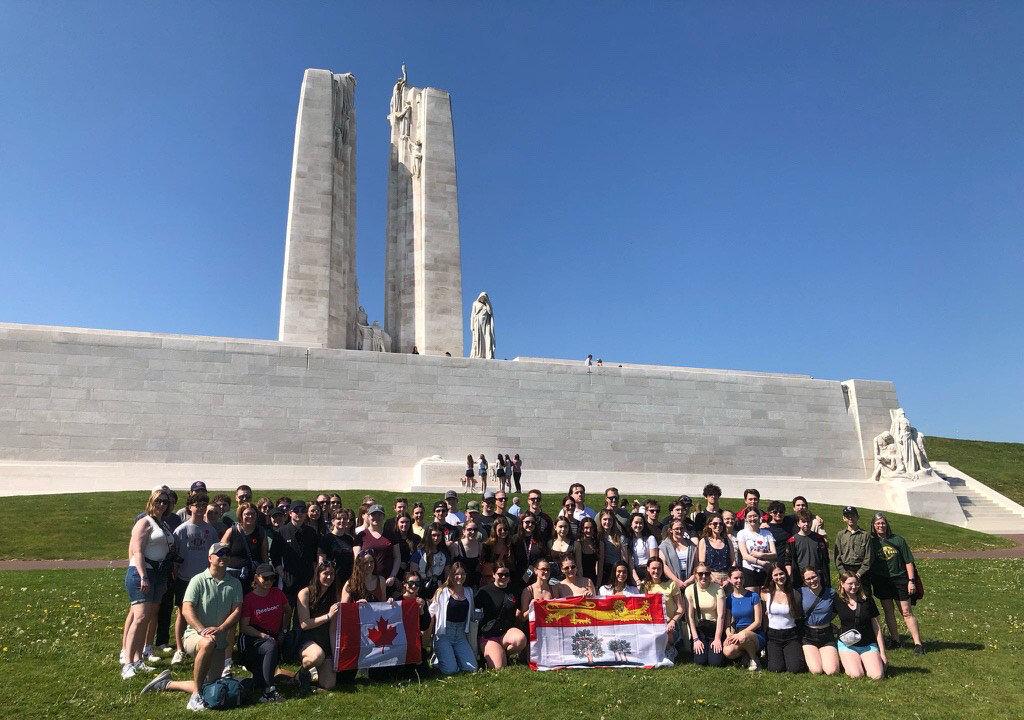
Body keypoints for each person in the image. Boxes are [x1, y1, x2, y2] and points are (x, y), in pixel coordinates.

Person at [140, 542, 243, 711]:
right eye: (220, 553)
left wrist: (222, 628)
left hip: (220, 640)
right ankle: (194, 698)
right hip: (195, 637)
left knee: (209, 687)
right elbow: (186, 609)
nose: (224, 556)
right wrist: (201, 630)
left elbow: (237, 611)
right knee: (207, 643)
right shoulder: (198, 580)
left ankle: (167, 683)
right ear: (210, 558)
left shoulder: (235, 583)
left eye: (227, 553)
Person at [123, 489, 174, 678]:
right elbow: (137, 551)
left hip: (158, 573)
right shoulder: (145, 522)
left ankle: (138, 659)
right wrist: (143, 576)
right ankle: (127, 663)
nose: (162, 504)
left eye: (165, 502)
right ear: (151, 501)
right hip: (142, 573)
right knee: (140, 617)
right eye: (159, 501)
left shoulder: (162, 523)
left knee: (147, 617)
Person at [170, 492, 219, 666]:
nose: (200, 509)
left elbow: (213, 554)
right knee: (182, 614)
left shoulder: (210, 530)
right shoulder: (181, 530)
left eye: (203, 506)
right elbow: (174, 556)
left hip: (203, 579)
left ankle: (199, 644)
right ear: (189, 508)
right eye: (197, 505)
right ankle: (179, 649)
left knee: (202, 612)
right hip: (184, 578)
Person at [869, 513, 924, 653]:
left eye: (882, 523)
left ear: (886, 524)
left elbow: (908, 561)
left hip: (899, 578)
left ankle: (918, 643)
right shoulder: (871, 542)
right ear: (873, 526)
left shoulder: (898, 540)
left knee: (906, 611)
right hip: (882, 580)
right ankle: (895, 640)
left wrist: (911, 581)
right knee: (888, 611)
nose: (880, 526)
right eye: (877, 524)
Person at [235, 563, 288, 702]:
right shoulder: (249, 599)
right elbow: (244, 627)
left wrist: (284, 629)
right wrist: (262, 635)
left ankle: (256, 682)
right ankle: (269, 691)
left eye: (272, 578)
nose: (269, 582)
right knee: (270, 645)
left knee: (258, 680)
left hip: (274, 636)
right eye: (266, 578)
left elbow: (288, 611)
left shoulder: (278, 593)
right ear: (256, 578)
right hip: (253, 638)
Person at [295, 561, 339, 691]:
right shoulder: (305, 593)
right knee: (317, 656)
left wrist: (334, 652)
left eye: (332, 574)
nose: (329, 577)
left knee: (329, 684)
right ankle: (301, 673)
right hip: (306, 639)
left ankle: (310, 673)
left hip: (324, 640)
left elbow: (332, 629)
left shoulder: (334, 595)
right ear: (318, 574)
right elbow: (304, 624)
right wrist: (328, 616)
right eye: (325, 573)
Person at [429, 561, 478, 675]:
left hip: (461, 634)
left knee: (472, 668)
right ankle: (438, 657)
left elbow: (471, 613)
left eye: (462, 574)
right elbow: (431, 612)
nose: (459, 577)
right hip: (444, 634)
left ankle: (451, 656)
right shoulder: (442, 592)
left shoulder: (469, 592)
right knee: (450, 670)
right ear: (451, 575)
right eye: (456, 574)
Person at [835, 571, 887, 680]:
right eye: (850, 584)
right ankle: (851, 660)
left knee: (877, 676)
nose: (854, 587)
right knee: (856, 675)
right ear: (842, 584)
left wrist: (882, 653)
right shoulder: (837, 600)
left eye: (856, 584)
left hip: (867, 644)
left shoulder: (867, 600)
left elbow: (877, 627)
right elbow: (826, 617)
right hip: (847, 644)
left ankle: (866, 660)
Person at [476, 561, 527, 668]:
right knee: (499, 668)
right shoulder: (484, 592)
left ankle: (504, 653)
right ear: (494, 575)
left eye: (506, 574)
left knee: (521, 639)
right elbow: (474, 614)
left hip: (507, 632)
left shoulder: (514, 590)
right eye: (500, 574)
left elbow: (520, 611)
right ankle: (492, 653)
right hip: (489, 635)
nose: (504, 577)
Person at [270, 501, 319, 609]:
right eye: (296, 510)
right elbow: (275, 557)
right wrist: (283, 575)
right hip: (289, 582)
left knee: (305, 612)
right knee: (286, 613)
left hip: (307, 580)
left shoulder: (312, 533)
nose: (299, 513)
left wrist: (314, 576)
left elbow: (315, 556)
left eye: (303, 511)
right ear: (290, 513)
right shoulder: (281, 532)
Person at [762, 563, 806, 673]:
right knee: (775, 669)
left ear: (786, 574)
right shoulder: (766, 594)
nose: (779, 577)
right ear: (771, 577)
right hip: (773, 636)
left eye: (781, 573)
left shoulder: (794, 593)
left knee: (795, 669)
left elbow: (800, 615)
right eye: (775, 575)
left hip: (791, 635)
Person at [720, 566, 765, 670]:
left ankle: (755, 660)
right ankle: (746, 655)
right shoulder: (729, 599)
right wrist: (729, 635)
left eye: (742, 578)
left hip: (755, 633)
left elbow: (758, 622)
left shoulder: (753, 596)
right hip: (738, 634)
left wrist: (742, 633)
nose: (739, 580)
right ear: (730, 579)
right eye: (736, 578)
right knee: (728, 651)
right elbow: (727, 623)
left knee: (744, 636)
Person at [799, 567, 840, 675]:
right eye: (808, 579)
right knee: (816, 670)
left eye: (814, 577)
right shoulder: (801, 592)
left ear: (819, 576)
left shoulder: (831, 593)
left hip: (826, 634)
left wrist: (825, 619)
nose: (812, 580)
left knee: (832, 671)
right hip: (808, 635)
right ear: (804, 581)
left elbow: (838, 610)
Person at [221, 502, 269, 594]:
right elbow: (221, 552)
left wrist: (265, 572)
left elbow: (264, 555)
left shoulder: (261, 532)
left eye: (253, 514)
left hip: (253, 576)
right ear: (241, 515)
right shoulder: (231, 531)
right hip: (233, 576)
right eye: (247, 514)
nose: (250, 516)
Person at [640, 558, 684, 657]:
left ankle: (670, 649)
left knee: (666, 636)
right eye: (653, 568)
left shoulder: (671, 584)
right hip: (652, 623)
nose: (656, 571)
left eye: (659, 568)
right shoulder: (644, 586)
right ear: (648, 569)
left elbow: (681, 608)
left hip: (669, 624)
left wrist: (673, 621)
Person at [353, 504, 401, 594]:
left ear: (383, 517)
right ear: (368, 516)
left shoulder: (391, 535)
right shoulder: (361, 535)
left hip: (387, 581)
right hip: (366, 581)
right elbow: (357, 559)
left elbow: (397, 557)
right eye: (373, 515)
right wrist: (361, 577)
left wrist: (393, 576)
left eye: (379, 515)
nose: (376, 517)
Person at [686, 563, 725, 667]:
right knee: (700, 662)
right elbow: (690, 616)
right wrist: (695, 639)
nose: (704, 576)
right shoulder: (690, 590)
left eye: (707, 573)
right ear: (695, 575)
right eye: (700, 574)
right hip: (700, 630)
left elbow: (721, 615)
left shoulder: (718, 589)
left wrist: (717, 638)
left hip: (714, 628)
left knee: (715, 663)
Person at [834, 506, 874, 591]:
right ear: (844, 518)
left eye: (853, 515)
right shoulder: (841, 535)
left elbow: (869, 557)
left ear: (857, 517)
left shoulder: (865, 535)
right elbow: (837, 557)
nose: (850, 518)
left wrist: (859, 574)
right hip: (845, 569)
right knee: (845, 596)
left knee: (865, 597)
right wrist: (843, 573)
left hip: (861, 571)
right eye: (847, 516)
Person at [736, 507, 776, 591]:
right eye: (749, 516)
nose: (752, 518)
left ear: (759, 517)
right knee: (752, 598)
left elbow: (774, 554)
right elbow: (745, 556)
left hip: (765, 571)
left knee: (766, 598)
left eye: (755, 516)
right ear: (745, 518)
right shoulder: (742, 533)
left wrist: (761, 555)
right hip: (749, 570)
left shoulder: (767, 533)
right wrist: (761, 562)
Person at [788, 509, 830, 588]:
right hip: (800, 579)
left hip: (818, 577)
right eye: (803, 521)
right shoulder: (792, 541)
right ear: (798, 523)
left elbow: (825, 559)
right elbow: (788, 560)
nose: (806, 524)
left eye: (809, 521)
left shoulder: (819, 539)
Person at [319, 508, 356, 591]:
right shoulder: (326, 539)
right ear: (333, 521)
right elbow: (321, 562)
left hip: (347, 578)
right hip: (331, 579)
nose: (342, 521)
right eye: (339, 518)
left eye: (345, 519)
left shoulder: (350, 539)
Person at [660, 518, 697, 589]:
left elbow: (696, 566)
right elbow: (664, 565)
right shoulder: (664, 546)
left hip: (690, 581)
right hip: (672, 581)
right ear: (671, 530)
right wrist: (677, 581)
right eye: (676, 529)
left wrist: (689, 581)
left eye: (681, 528)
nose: (679, 531)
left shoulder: (692, 545)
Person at [696, 514, 734, 583]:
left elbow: (733, 562)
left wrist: (729, 578)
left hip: (727, 578)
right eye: (715, 523)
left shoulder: (728, 541)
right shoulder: (704, 541)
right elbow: (702, 563)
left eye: (720, 524)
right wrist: (712, 578)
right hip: (710, 577)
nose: (718, 526)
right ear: (710, 525)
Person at [597, 509, 630, 587]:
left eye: (610, 519)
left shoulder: (620, 537)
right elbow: (600, 561)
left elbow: (624, 560)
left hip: (617, 570)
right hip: (604, 570)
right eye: (605, 519)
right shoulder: (598, 536)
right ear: (600, 520)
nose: (607, 522)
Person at [418, 523, 451, 599]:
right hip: (420, 588)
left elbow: (447, 574)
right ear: (428, 535)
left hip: (439, 589)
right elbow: (413, 572)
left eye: (439, 535)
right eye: (433, 535)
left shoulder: (444, 553)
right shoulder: (420, 552)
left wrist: (443, 588)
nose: (436, 538)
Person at [449, 518, 483, 588]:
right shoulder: (456, 546)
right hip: (458, 583)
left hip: (474, 584)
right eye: (469, 529)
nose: (473, 532)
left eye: (475, 530)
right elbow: (449, 567)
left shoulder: (480, 546)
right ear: (464, 531)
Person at [626, 513, 659, 584]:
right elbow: (630, 564)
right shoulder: (628, 540)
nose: (638, 525)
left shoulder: (650, 539)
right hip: (633, 573)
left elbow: (653, 561)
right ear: (631, 524)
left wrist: (647, 578)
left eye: (641, 523)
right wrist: (637, 580)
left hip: (648, 572)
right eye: (636, 523)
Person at [481, 516, 513, 585]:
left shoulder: (511, 545)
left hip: (507, 581)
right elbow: (485, 566)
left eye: (505, 529)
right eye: (500, 530)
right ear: (494, 530)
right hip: (490, 581)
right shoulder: (487, 546)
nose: (503, 531)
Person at [574, 516, 600, 587]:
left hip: (594, 577)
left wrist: (598, 584)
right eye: (586, 528)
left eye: (591, 528)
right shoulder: (578, 544)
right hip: (581, 578)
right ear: (582, 529)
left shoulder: (599, 544)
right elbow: (579, 565)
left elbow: (600, 566)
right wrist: (582, 584)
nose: (589, 530)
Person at [547, 517, 575, 584]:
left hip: (570, 579)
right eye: (560, 526)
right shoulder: (549, 543)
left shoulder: (575, 544)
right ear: (555, 527)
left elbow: (579, 565)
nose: (563, 529)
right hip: (553, 581)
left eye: (566, 527)